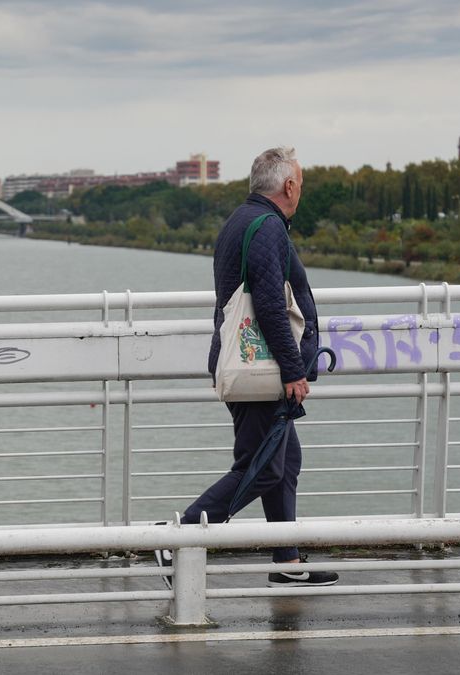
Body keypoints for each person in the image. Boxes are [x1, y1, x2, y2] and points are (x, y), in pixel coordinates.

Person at [155, 147, 338, 588]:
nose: (301, 191)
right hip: (261, 370)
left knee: (284, 461)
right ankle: (175, 538)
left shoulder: (243, 219)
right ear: (289, 186)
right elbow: (272, 306)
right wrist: (294, 370)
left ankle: (287, 560)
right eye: (301, 183)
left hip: (250, 362)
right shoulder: (267, 227)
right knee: (261, 467)